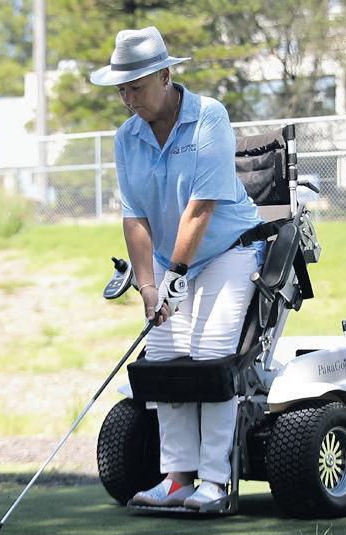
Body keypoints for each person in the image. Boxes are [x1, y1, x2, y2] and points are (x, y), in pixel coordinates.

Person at [91, 26, 265, 510]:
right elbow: (135, 217)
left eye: (136, 88)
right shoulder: (127, 137)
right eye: (121, 90)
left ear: (165, 76)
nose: (128, 99)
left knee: (210, 353)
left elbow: (201, 207)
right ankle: (177, 479)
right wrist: (149, 287)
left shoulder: (209, 116)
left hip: (230, 248)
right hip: (171, 262)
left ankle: (215, 482)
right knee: (165, 357)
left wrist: (176, 276)